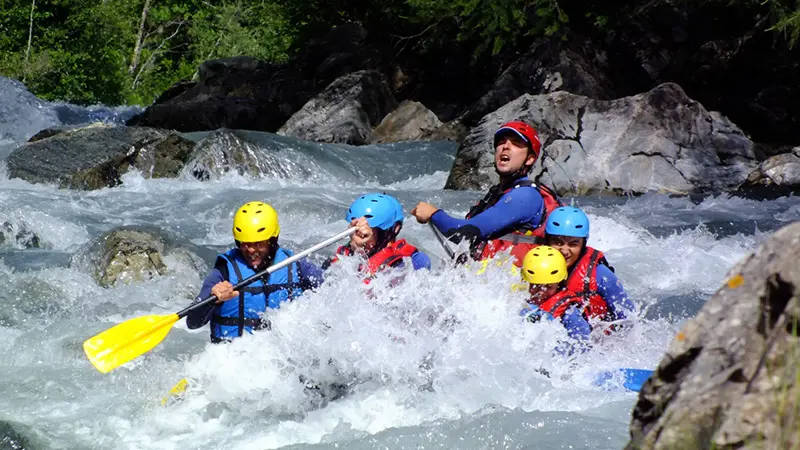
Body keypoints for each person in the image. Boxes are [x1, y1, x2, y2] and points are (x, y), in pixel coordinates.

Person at [410, 121, 562, 265]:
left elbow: (464, 234)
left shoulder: (526, 196)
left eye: (516, 143)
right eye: (502, 142)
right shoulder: (498, 195)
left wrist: (433, 214)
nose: (506, 146)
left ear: (529, 159)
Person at [187, 201, 324, 343]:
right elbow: (192, 322)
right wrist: (213, 300)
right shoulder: (223, 272)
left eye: (258, 244)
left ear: (272, 241)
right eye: (245, 244)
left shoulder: (297, 265)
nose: (251, 250)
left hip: (284, 358)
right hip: (235, 358)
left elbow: (333, 295)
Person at [543, 207, 633, 323]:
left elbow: (629, 319)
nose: (564, 251)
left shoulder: (600, 275)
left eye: (573, 244)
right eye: (558, 242)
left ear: (583, 244)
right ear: (547, 242)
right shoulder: (534, 265)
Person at [323, 193, 431, 276]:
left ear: (392, 231)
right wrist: (357, 250)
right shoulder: (344, 259)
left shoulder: (411, 261)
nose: (360, 233)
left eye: (369, 229)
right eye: (356, 230)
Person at [518, 245, 594, 343]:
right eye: (535, 285)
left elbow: (582, 345)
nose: (541, 291)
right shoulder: (517, 300)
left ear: (559, 284)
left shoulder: (569, 313)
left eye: (548, 287)